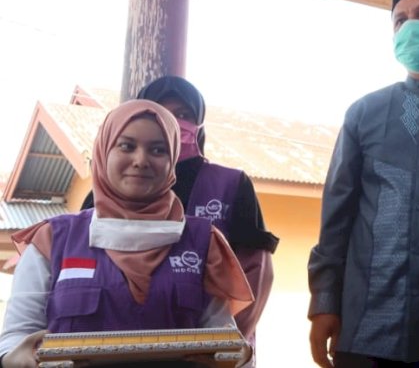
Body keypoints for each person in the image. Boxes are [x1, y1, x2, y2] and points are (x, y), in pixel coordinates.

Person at [0, 100, 254, 367]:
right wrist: (15, 359)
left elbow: (222, 337)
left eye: (158, 150)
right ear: (103, 151)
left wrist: (238, 357)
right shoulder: (52, 240)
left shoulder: (203, 242)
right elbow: (16, 338)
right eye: (126, 146)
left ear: (172, 161)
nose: (141, 160)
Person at [307, 0, 419, 368]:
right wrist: (324, 302)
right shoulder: (365, 114)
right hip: (369, 329)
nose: (411, 26)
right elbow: (336, 220)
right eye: (401, 19)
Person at [81, 76, 279, 351]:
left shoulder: (231, 184)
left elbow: (254, 273)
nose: (171, 120)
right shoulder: (100, 195)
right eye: (160, 110)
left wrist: (218, 346)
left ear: (199, 124)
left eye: (183, 114)